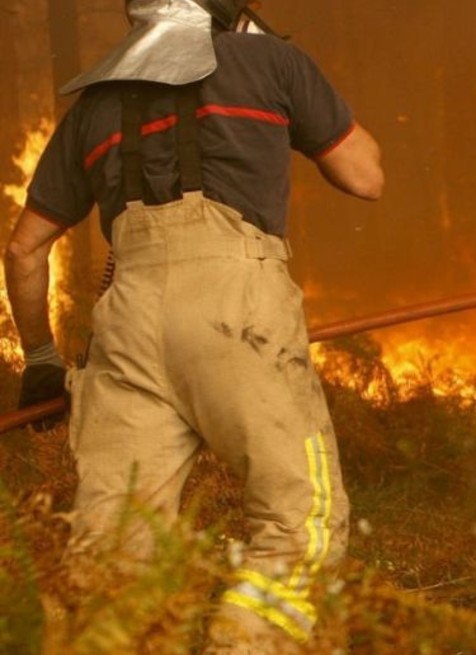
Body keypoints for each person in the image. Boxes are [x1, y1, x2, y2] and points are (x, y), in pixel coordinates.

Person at [3, 0, 383, 651]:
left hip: (125, 326)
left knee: (111, 559)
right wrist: (267, 52)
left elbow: (23, 250)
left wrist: (41, 356)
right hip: (236, 307)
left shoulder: (91, 108)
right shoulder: (272, 63)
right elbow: (365, 175)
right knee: (300, 523)